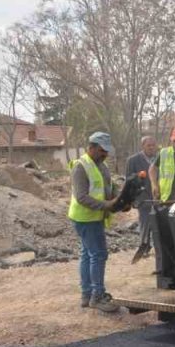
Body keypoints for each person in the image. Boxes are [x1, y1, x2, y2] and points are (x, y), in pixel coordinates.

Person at [68, 132, 119, 313]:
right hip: (85, 218)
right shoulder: (80, 167)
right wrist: (107, 204)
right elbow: (81, 197)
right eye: (102, 150)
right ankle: (97, 296)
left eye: (106, 151)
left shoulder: (101, 165)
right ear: (91, 147)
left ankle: (87, 295)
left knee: (88, 255)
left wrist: (119, 198)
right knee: (98, 255)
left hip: (95, 217)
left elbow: (107, 188)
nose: (105, 154)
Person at [125, 135, 158, 237]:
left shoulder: (159, 159)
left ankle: (158, 247)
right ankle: (144, 246)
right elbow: (128, 180)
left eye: (153, 145)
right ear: (143, 146)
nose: (151, 147)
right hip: (143, 198)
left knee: (159, 225)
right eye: (149, 145)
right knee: (145, 222)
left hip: (159, 197)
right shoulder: (133, 160)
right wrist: (138, 176)